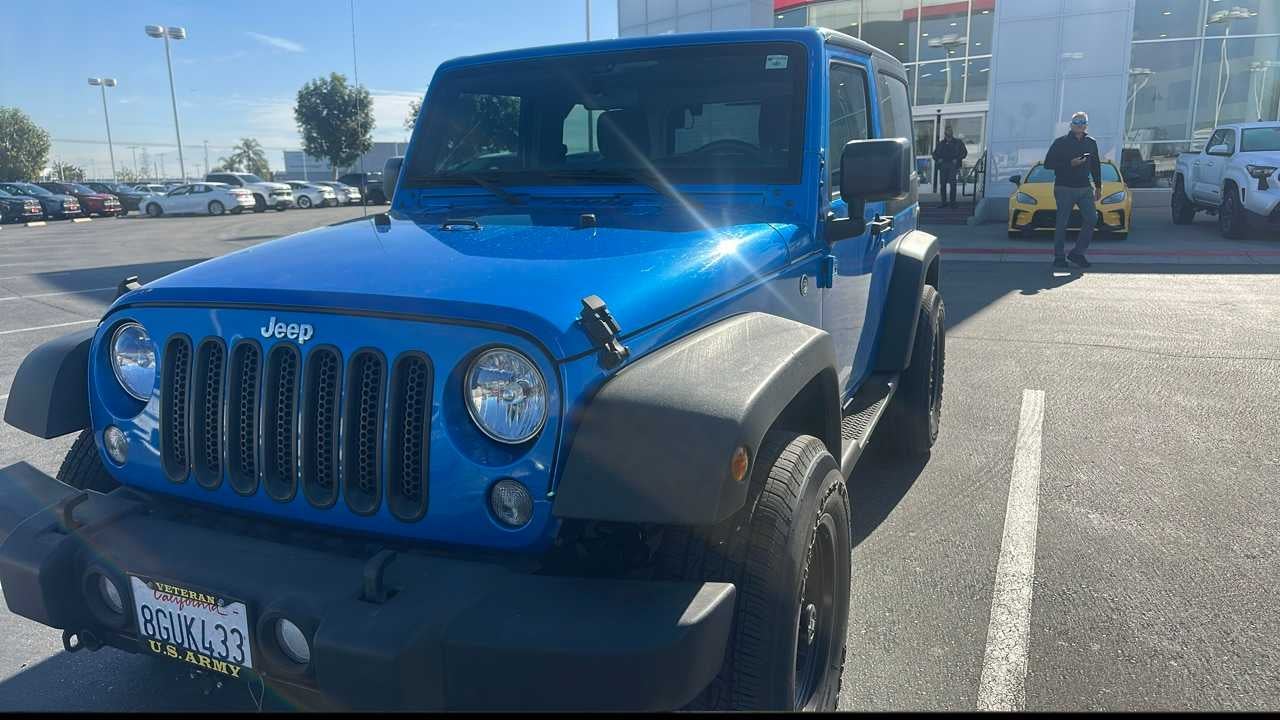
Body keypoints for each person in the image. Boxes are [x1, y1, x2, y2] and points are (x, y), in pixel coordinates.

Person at [1044, 111, 1102, 269]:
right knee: (1062, 222)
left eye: (1082, 122)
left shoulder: (1091, 142)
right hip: (1064, 187)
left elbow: (1095, 165)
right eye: (1076, 122)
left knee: (1092, 218)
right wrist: (1070, 163)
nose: (1079, 124)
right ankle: (1059, 256)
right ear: (1071, 125)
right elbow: (1048, 164)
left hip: (1085, 187)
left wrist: (1098, 186)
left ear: (1086, 125)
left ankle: (1077, 253)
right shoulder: (1060, 142)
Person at [932, 126, 967, 208]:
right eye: (947, 131)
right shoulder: (941, 143)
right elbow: (934, 154)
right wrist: (938, 159)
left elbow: (964, 153)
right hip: (943, 165)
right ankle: (943, 202)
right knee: (943, 185)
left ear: (952, 133)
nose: (948, 133)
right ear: (945, 133)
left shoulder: (958, 142)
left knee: (953, 184)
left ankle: (953, 203)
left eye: (950, 131)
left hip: (953, 165)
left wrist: (957, 159)